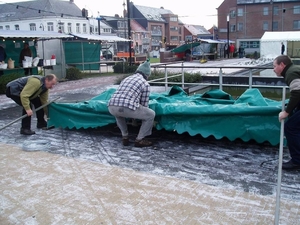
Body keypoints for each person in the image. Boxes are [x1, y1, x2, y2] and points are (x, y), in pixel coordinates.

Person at [108, 60, 155, 147]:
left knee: (119, 115)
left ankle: (125, 137)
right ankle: (140, 139)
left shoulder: (127, 78)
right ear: (147, 75)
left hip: (111, 106)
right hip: (126, 107)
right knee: (150, 114)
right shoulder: (145, 83)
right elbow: (144, 104)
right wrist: (138, 118)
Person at [274, 55, 300, 170]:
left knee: (290, 127)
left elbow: (297, 93)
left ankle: (297, 161)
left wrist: (286, 112)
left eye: (275, 66)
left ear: (282, 65)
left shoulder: (291, 73)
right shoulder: (294, 69)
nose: (274, 69)